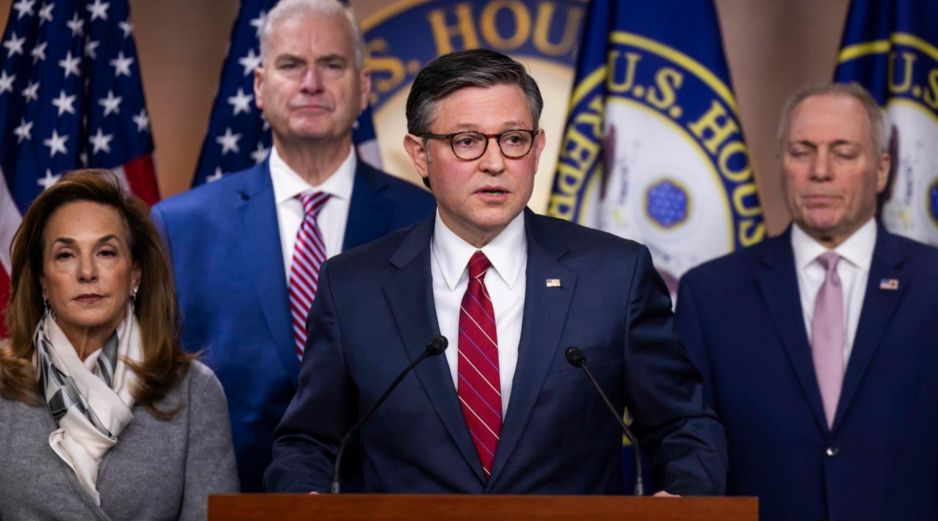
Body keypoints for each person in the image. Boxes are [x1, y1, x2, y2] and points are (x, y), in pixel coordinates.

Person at [264, 49, 726, 495]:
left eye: (513, 139)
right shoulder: (352, 289)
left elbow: (683, 427)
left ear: (537, 146)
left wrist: (683, 500)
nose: (494, 162)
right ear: (420, 154)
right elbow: (309, 443)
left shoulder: (615, 276)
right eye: (467, 141)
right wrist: (304, 497)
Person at [151, 0, 434, 491]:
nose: (311, 83)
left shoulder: (426, 220)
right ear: (259, 87)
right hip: (229, 503)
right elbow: (155, 395)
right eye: (291, 65)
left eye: (331, 64)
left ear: (364, 87)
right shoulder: (180, 227)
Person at [675, 82, 938, 520]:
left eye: (843, 152)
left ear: (881, 169)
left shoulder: (932, 283)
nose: (820, 171)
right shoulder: (711, 293)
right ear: (782, 163)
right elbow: (690, 442)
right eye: (802, 151)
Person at [0, 170, 237, 520]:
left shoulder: (193, 392)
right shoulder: (4, 385)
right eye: (65, 254)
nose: (87, 272)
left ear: (135, 272)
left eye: (106, 252)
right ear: (42, 280)